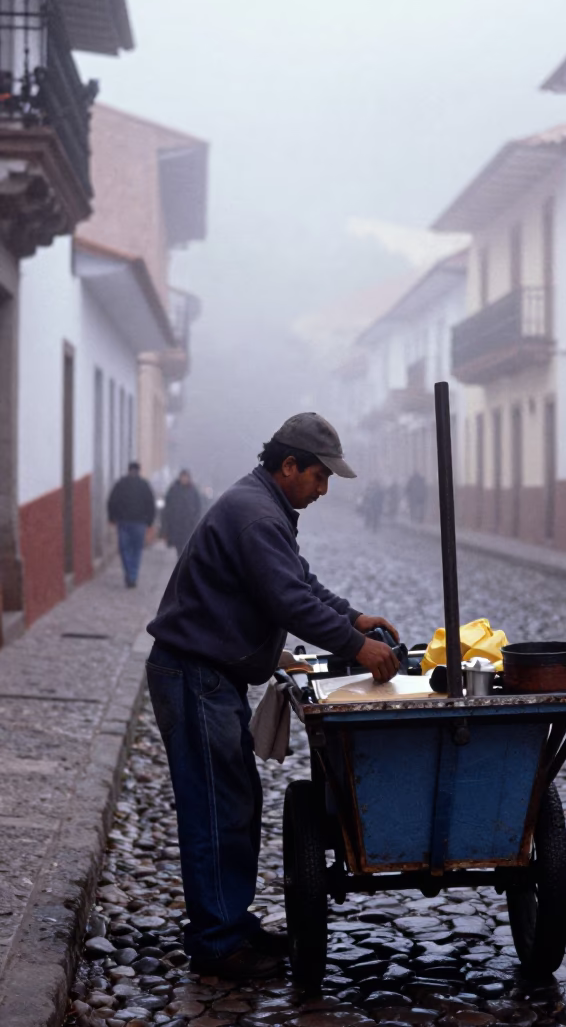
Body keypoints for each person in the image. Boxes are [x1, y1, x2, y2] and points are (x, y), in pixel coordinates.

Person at [145, 412, 400, 981]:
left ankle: (228, 924)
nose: (324, 488)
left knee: (233, 802)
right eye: (318, 476)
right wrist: (359, 646)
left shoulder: (263, 506)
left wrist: (353, 616)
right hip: (193, 672)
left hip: (210, 674)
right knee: (216, 807)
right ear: (289, 466)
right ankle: (217, 941)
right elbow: (290, 601)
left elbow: (300, 582)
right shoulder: (257, 514)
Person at [107, 462, 156, 588]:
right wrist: (150, 521)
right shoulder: (144, 485)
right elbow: (150, 504)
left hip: (125, 521)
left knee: (125, 549)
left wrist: (112, 517)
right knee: (135, 550)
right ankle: (132, 574)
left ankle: (130, 574)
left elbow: (112, 501)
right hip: (137, 522)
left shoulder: (121, 484)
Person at [162, 469, 202, 556]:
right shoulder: (173, 490)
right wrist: (166, 526)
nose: (184, 479)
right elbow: (167, 508)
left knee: (187, 545)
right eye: (183, 477)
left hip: (189, 525)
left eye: (186, 477)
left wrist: (195, 520)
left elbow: (198, 507)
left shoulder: (193, 491)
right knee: (179, 547)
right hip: (176, 525)